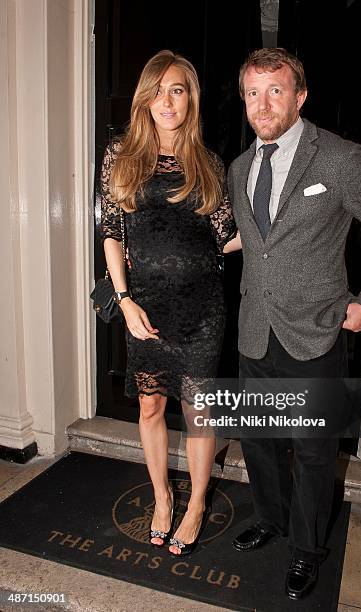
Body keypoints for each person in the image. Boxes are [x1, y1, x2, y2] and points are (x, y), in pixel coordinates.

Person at [227, 48, 361, 600]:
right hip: (255, 329)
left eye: (276, 90)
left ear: (299, 96)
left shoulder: (339, 158)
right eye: (253, 93)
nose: (263, 104)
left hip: (316, 331)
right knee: (258, 440)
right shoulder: (239, 167)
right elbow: (252, 239)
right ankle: (272, 518)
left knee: (312, 452)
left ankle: (306, 548)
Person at [100, 50, 238, 556]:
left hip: (203, 310)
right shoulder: (121, 155)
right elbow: (112, 232)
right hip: (146, 307)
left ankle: (197, 503)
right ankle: (162, 498)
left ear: (190, 98)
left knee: (200, 412)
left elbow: (224, 235)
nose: (166, 100)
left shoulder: (209, 162)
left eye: (177, 89)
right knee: (151, 404)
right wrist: (124, 299)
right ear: (144, 98)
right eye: (157, 90)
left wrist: (279, 228)